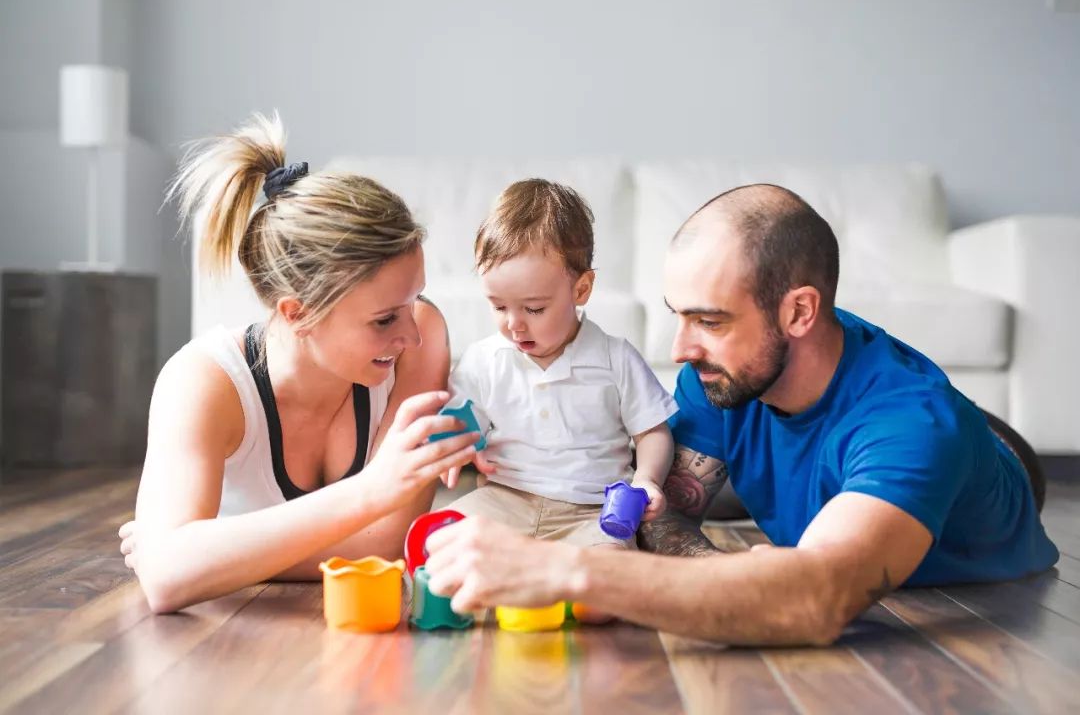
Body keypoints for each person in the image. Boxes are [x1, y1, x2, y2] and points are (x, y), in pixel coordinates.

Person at [423, 184, 1059, 645]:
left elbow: (815, 598)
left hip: (975, 473)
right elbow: (662, 520)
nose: (679, 349)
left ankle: (991, 444)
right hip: (822, 426)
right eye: (679, 314)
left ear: (799, 313)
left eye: (710, 320)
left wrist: (562, 567)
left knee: (957, 445)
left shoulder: (913, 428)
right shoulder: (718, 374)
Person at [117, 113, 479, 613]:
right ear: (297, 312)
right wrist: (372, 492)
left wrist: (215, 550)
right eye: (383, 319)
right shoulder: (203, 382)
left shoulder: (422, 337)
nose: (411, 333)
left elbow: (388, 544)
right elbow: (165, 581)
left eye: (414, 300)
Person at [441, 180, 678, 621]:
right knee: (441, 543)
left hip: (590, 512)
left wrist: (647, 479)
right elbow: (462, 421)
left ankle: (551, 581)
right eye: (498, 307)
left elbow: (653, 431)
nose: (514, 325)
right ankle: (522, 574)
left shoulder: (614, 358)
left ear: (581, 289)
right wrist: (461, 446)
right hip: (507, 498)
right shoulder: (484, 360)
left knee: (607, 591)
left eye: (533, 309)